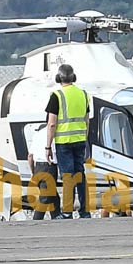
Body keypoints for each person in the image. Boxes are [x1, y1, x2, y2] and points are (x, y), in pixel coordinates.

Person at [45, 64, 91, 219]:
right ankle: (85, 211)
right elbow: (86, 120)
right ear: (73, 77)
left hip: (64, 142)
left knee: (67, 177)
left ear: (58, 78)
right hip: (80, 140)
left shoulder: (56, 95)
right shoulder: (83, 94)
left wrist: (48, 146)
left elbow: (51, 124)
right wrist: (85, 139)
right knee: (80, 175)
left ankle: (67, 212)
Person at [27, 124, 61, 220]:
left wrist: (33, 172)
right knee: (45, 198)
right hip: (49, 167)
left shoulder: (37, 135)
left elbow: (30, 156)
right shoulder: (53, 135)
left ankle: (57, 218)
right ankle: (36, 221)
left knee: (54, 198)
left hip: (38, 167)